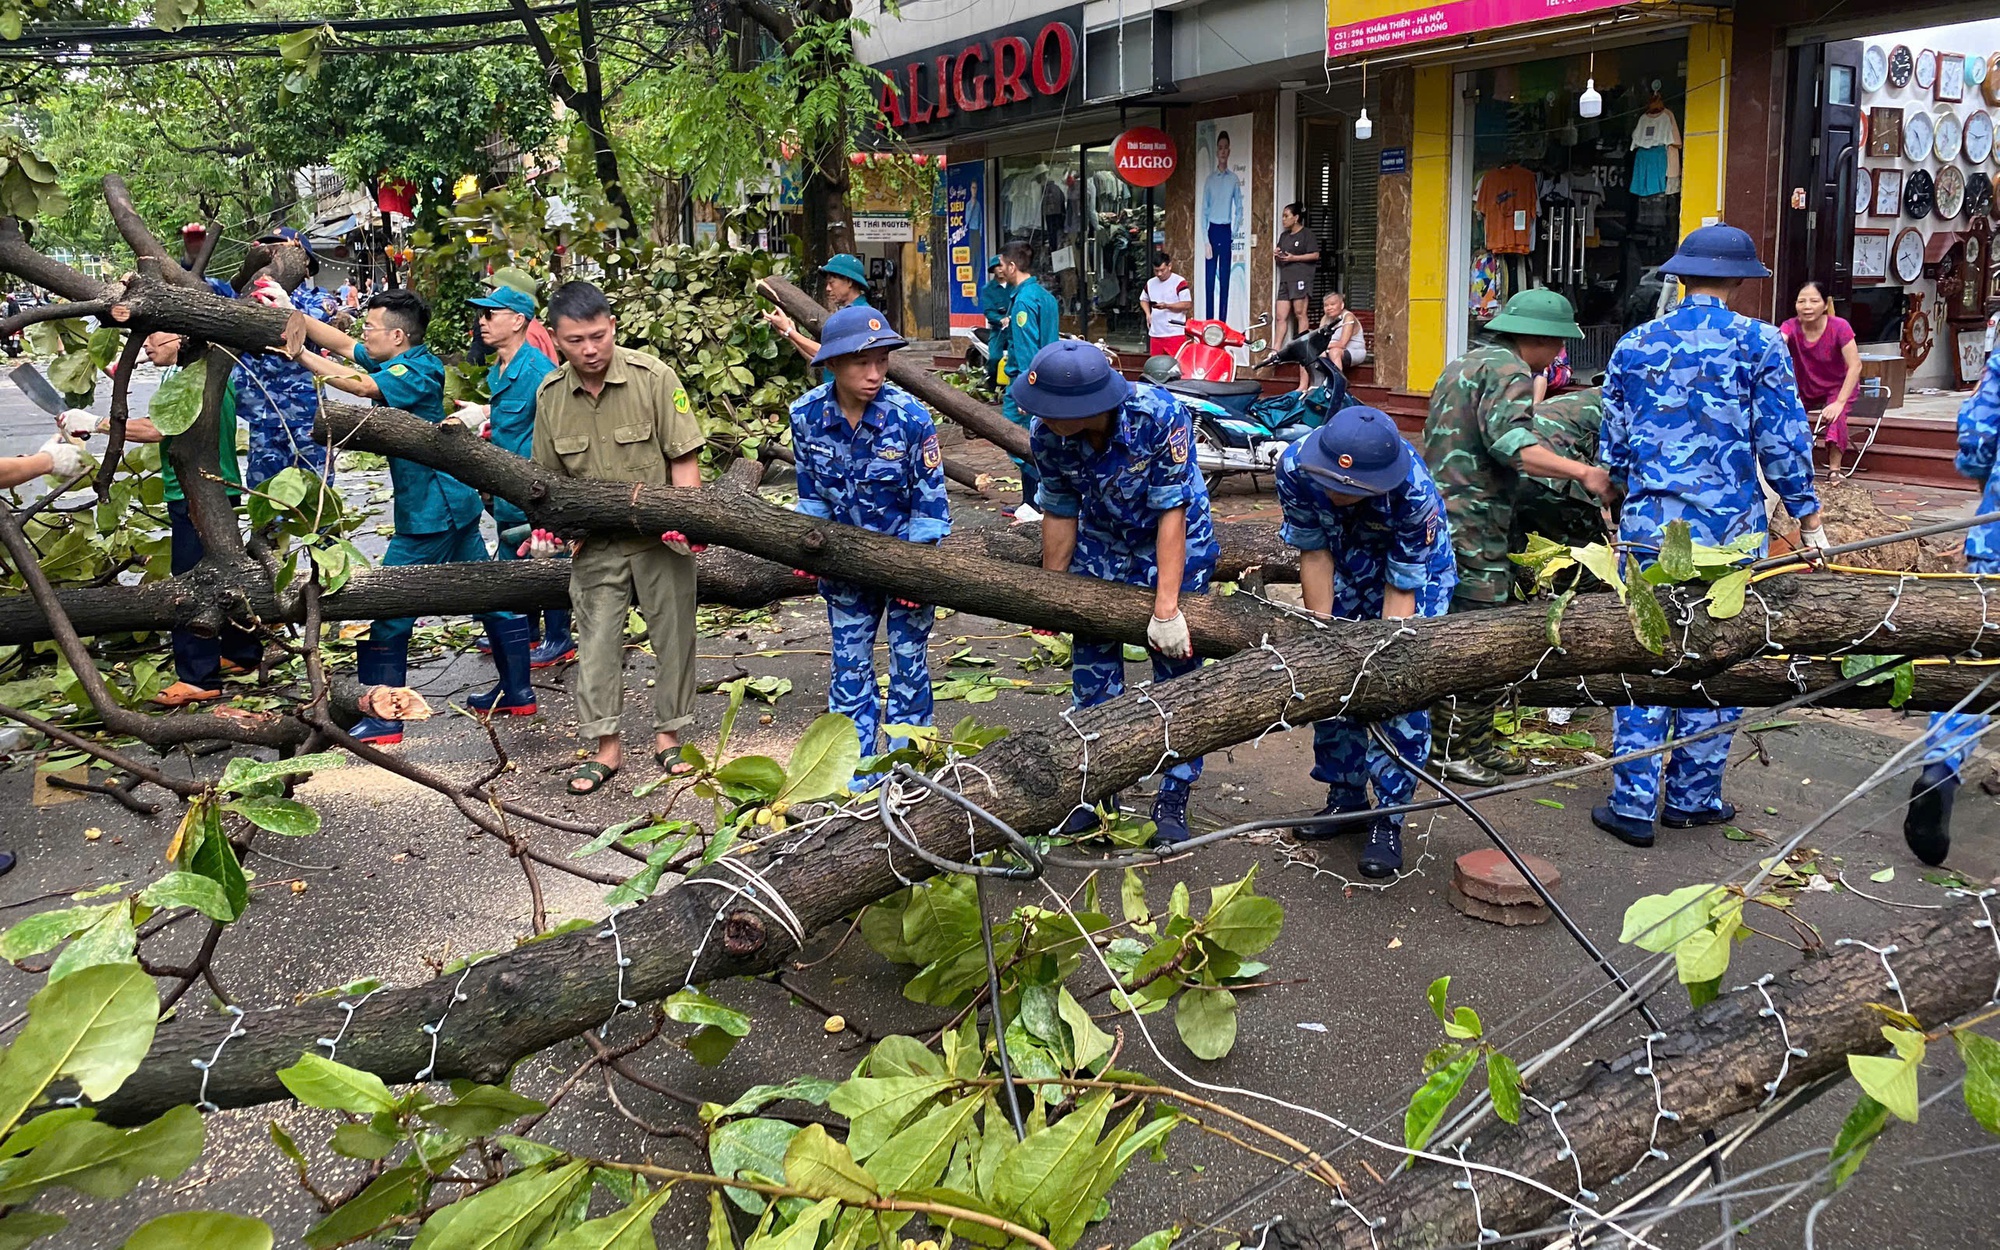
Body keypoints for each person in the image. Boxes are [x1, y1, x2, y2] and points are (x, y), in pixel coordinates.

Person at [1592, 225, 1826, 848]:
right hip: (1730, 532)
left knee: (1646, 648)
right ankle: (1695, 798)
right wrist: (1808, 518)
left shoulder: (1634, 345)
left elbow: (1612, 443)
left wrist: (1619, 494)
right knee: (1718, 653)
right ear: (1742, 280)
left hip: (1649, 530)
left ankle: (1634, 803)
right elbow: (1782, 441)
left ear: (1680, 275)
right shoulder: (1760, 345)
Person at [284, 289, 535, 743]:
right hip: (448, 504)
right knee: (488, 596)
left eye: (371, 328)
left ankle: (385, 717)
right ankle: (517, 691)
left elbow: (359, 385)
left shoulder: (418, 368)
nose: (363, 335)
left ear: (398, 336)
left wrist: (300, 355)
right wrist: (290, 315)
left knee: (388, 607)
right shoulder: (396, 356)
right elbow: (342, 346)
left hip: (431, 511)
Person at [1012, 341, 1217, 847]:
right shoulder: (1048, 435)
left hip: (1172, 543)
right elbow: (1059, 510)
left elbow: (1173, 512)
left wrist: (1166, 608)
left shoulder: (1160, 417)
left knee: (1176, 672)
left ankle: (1175, 794)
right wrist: (1053, 593)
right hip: (1103, 544)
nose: (1042, 417)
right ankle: (1097, 791)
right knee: (1093, 671)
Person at [1423, 288, 1613, 786]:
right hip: (1475, 522)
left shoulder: (1466, 361)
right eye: (1557, 346)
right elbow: (1512, 446)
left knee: (1482, 627)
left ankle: (1475, 742)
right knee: (1475, 640)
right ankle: (1446, 749)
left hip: (1452, 514)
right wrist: (1583, 473)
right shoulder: (1509, 369)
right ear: (1540, 338)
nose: (1557, 358)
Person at [530, 281, 705, 796]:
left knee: (674, 639)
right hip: (597, 546)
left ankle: (669, 737)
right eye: (576, 340)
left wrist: (686, 519)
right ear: (556, 340)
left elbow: (683, 459)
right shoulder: (551, 397)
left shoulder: (655, 378)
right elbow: (547, 483)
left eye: (599, 336)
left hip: (660, 540)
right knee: (597, 645)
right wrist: (549, 528)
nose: (590, 349)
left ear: (613, 327)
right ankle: (606, 748)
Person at [1279, 409, 1456, 878]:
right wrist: (1325, 635)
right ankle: (1345, 798)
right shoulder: (1295, 467)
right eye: (1332, 483)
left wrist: (1381, 658)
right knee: (1333, 676)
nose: (1338, 494)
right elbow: (1314, 551)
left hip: (1413, 576)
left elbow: (1401, 589)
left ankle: (1387, 817)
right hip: (1342, 562)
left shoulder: (1414, 496)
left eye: (1352, 489)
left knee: (1396, 687)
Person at [789, 306, 951, 753]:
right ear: (833, 363)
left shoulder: (911, 418)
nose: (875, 372)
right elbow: (811, 495)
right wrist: (807, 548)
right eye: (862, 361)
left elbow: (930, 506)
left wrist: (914, 573)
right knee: (849, 667)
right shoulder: (805, 416)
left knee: (909, 664)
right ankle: (853, 769)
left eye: (882, 360)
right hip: (844, 567)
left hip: (906, 564)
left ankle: (907, 766)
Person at [109, 332, 262, 706]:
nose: (144, 344)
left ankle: (198, 677)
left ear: (182, 336)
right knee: (227, 575)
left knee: (191, 587)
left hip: (198, 493)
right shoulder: (193, 369)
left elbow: (161, 428)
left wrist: (101, 424)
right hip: (212, 488)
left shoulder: (193, 377)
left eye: (152, 336)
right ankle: (242, 653)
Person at [1903, 340, 2000, 866]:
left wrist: (1987, 480)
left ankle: (1940, 767)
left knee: (1975, 658)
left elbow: (1978, 434)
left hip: (1995, 536)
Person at [455, 284, 567, 667]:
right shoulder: (500, 369)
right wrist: (484, 415)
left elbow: (558, 430)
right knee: (513, 562)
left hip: (533, 488)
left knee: (544, 559)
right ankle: (525, 634)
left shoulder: (538, 371)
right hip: (506, 490)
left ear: (518, 320)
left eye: (491, 315)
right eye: (481, 315)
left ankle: (559, 638)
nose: (482, 323)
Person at [231, 236, 336, 487]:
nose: (272, 259)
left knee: (314, 489)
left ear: (305, 266)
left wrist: (287, 307)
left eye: (280, 252)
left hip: (304, 415)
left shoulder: (318, 299)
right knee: (265, 494)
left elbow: (320, 329)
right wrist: (191, 257)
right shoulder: (246, 295)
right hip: (261, 417)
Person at [995, 241, 1060, 523]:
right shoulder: (1044, 296)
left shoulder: (1023, 301)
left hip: (1029, 382)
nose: (1000, 270)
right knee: (1036, 440)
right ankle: (1031, 501)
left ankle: (1038, 501)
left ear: (1012, 265)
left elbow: (1026, 351)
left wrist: (1026, 391)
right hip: (1049, 379)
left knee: (1016, 440)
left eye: (1001, 264)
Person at [1780, 280, 1863, 478]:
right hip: (1804, 384)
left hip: (1839, 385)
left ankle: (1835, 470)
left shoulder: (1839, 327)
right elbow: (1778, 341)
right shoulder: (1790, 326)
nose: (1807, 306)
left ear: (1825, 305)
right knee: (1783, 412)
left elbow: (1855, 365)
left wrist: (1840, 402)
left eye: (1813, 301)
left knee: (1836, 415)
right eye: (1801, 301)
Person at [764, 254, 872, 364]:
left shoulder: (860, 315)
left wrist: (789, 331)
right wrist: (789, 333)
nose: (828, 289)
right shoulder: (850, 311)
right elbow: (820, 359)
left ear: (849, 281)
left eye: (832, 283)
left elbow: (830, 354)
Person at [1200, 131, 1243, 322]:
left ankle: (1222, 322)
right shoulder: (1210, 180)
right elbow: (1204, 211)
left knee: (1224, 280)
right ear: (1217, 151)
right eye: (1220, 148)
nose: (1223, 151)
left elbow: (1239, 208)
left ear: (1229, 151)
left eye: (1226, 148)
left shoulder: (1233, 179)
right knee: (1210, 281)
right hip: (1212, 231)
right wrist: (1205, 240)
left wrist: (1233, 233)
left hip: (1226, 231)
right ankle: (1209, 321)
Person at [1273, 203, 1320, 346]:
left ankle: (1302, 348)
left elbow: (1315, 255)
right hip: (1286, 279)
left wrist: (1295, 258)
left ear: (1296, 217)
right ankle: (1275, 350)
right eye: (1282, 216)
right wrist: (1277, 255)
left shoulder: (1307, 234)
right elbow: (1281, 257)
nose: (1283, 219)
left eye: (1286, 216)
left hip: (1301, 278)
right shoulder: (1284, 236)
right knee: (1281, 316)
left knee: (1300, 313)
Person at [1141, 251, 1192, 359]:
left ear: (1169, 266)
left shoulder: (1179, 281)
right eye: (1156, 271)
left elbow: (1187, 304)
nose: (1159, 274)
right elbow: (1143, 299)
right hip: (1156, 332)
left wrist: (1167, 306)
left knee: (1177, 365)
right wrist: (1148, 314)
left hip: (1175, 332)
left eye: (1162, 270)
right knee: (1156, 365)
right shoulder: (1150, 283)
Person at [978, 254, 1012, 387]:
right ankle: (991, 388)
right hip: (999, 331)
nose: (1000, 269)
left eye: (1002, 266)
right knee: (994, 359)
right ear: (993, 270)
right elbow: (989, 311)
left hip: (1016, 329)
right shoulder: (988, 289)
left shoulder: (1015, 285)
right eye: (997, 267)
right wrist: (1000, 319)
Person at [1317, 292, 1366, 376]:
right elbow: (1320, 338)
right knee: (1306, 354)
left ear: (1342, 305)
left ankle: (1338, 384)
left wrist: (1323, 346)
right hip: (1330, 348)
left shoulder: (1348, 317)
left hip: (1353, 351)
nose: (1329, 308)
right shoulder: (1325, 318)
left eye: (1332, 304)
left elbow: (1342, 344)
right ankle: (1304, 387)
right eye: (1326, 305)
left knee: (1334, 352)